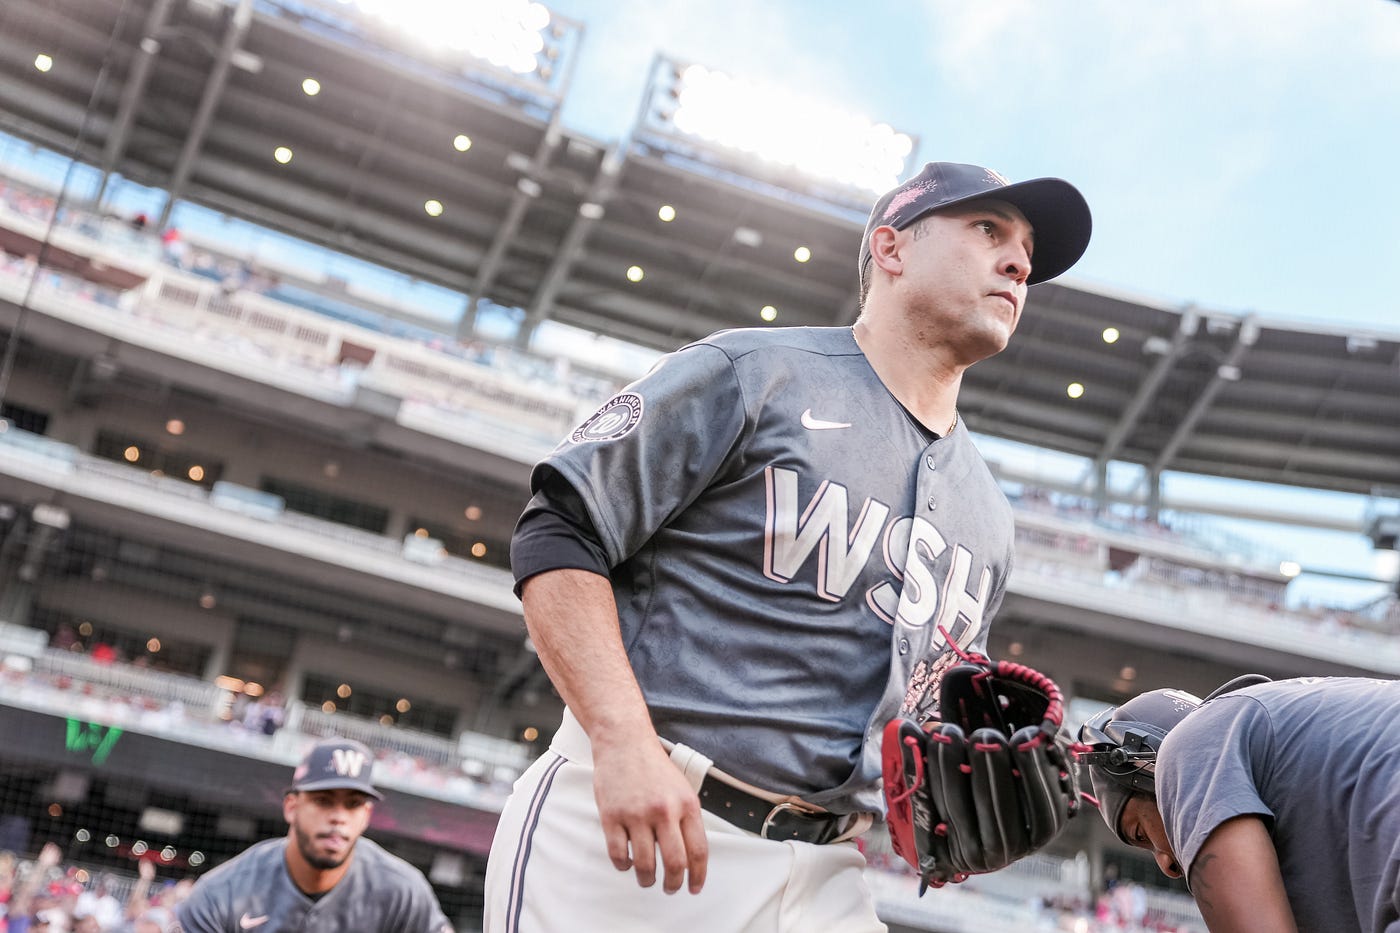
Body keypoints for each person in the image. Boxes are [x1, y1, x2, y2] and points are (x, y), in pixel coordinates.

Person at [484, 161, 1093, 932]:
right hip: (644, 821)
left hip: (831, 866)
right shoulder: (754, 373)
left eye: (1027, 249)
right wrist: (621, 739)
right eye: (989, 230)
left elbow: (926, 710)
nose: (1019, 262)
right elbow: (559, 528)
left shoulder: (990, 518)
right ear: (892, 249)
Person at [1076, 675, 1400, 933]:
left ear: (1153, 770)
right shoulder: (1291, 751)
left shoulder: (1189, 747)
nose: (1167, 865)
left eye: (1141, 834)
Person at [173, 737, 452, 933]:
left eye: (353, 804)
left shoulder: (403, 891)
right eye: (323, 800)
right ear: (292, 807)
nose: (339, 816)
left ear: (366, 816)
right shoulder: (222, 892)